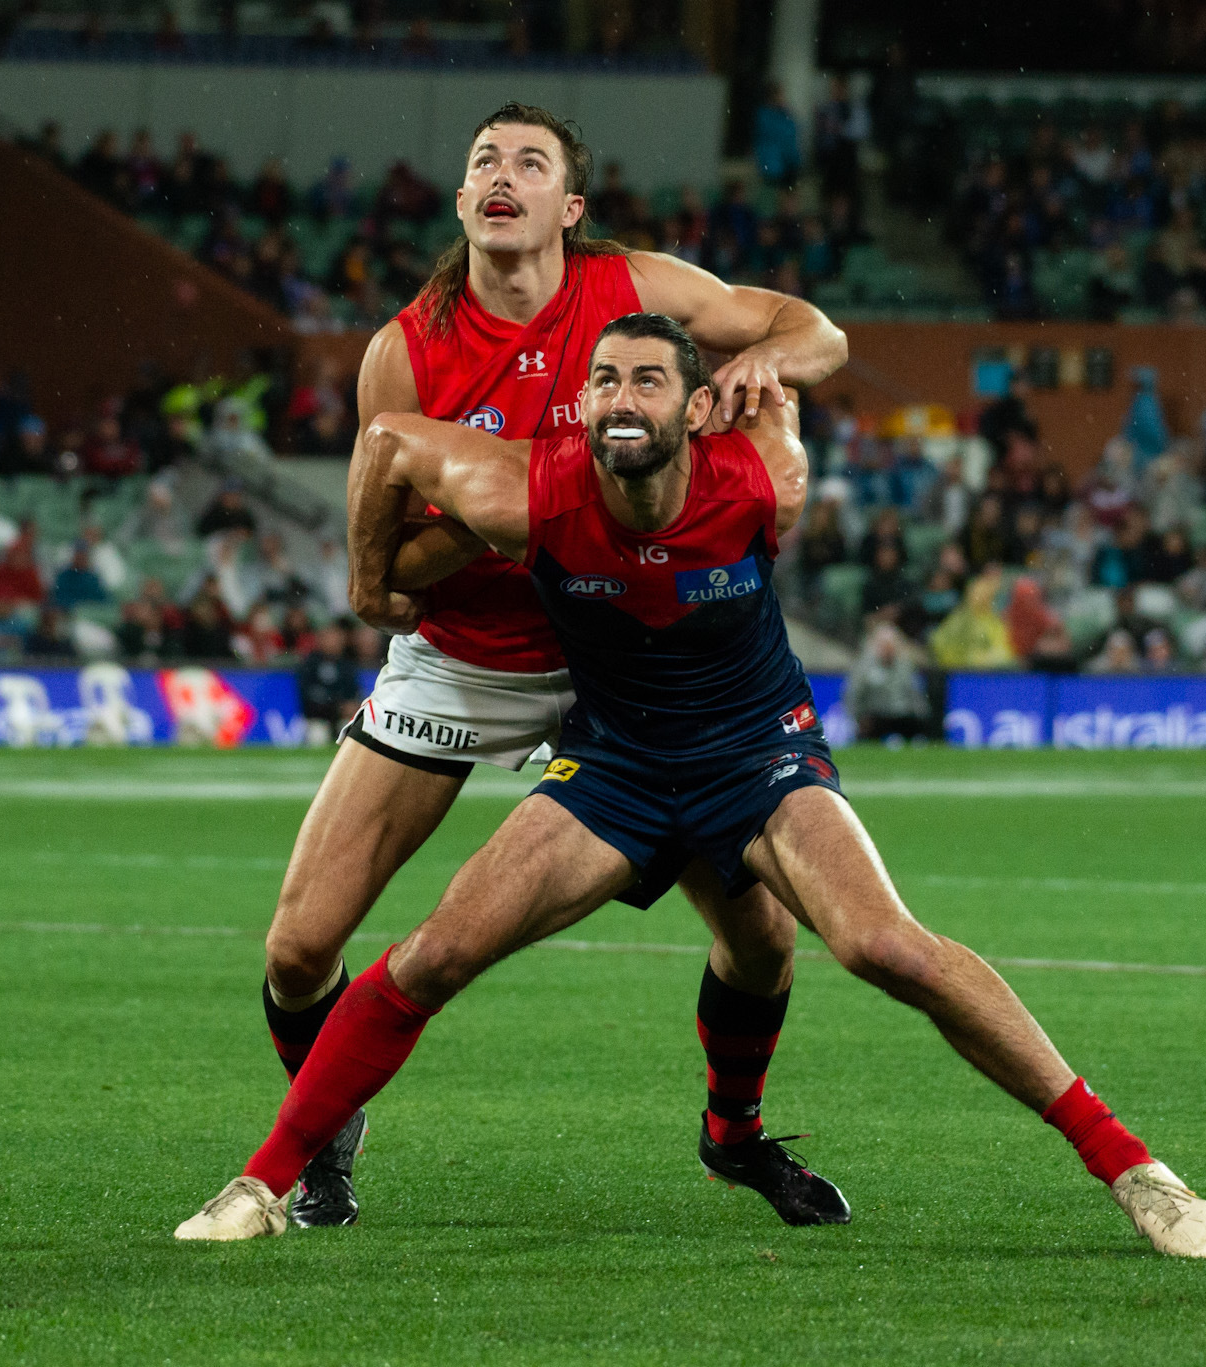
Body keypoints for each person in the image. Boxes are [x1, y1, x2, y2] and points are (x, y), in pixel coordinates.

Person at [179, 313, 1206, 1258]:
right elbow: (385, 441)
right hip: (616, 766)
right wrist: (373, 581)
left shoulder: (766, 473)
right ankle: (263, 1181)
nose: (621, 397)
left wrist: (767, 367)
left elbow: (813, 338)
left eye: (645, 379)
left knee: (878, 943)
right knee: (436, 951)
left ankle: (1131, 1168)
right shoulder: (525, 488)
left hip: (755, 753)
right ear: (580, 403)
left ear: (693, 403)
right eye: (603, 380)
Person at [239, 102, 851, 1229]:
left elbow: (820, 335)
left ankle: (734, 1134)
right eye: (483, 162)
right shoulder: (405, 349)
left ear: (570, 207)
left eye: (529, 161)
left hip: (619, 658)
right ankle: (322, 1135)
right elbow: (394, 538)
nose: (501, 175)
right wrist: (500, 515)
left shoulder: (633, 290)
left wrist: (754, 359)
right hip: (464, 657)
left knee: (761, 937)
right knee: (296, 946)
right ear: (465, 202)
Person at [846, 622, 930, 741]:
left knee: (913, 725)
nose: (887, 649)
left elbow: (915, 693)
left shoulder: (905, 666)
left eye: (890, 645)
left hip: (902, 716)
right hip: (875, 716)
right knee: (870, 724)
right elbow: (854, 694)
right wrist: (856, 718)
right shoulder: (864, 667)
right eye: (884, 645)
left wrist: (922, 716)